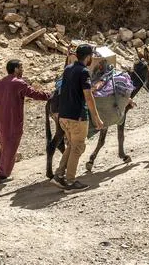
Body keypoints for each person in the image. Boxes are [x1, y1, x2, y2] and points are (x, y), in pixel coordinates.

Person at [0, 59, 50, 183]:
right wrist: (50, 95)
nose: (23, 70)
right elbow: (34, 94)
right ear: (16, 69)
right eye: (21, 67)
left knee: (4, 143)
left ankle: (1, 168)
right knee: (11, 144)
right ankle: (3, 175)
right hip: (12, 119)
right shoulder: (19, 83)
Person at [54, 44, 105, 190]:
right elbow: (88, 97)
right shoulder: (83, 72)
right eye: (91, 57)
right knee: (78, 148)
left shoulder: (68, 68)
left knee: (72, 145)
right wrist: (96, 118)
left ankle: (59, 175)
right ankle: (70, 181)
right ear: (88, 57)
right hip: (77, 117)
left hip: (64, 116)